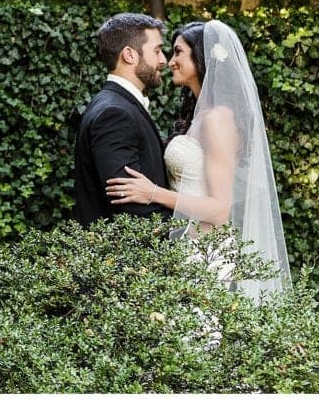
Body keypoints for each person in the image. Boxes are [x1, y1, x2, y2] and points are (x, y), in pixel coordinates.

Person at [106, 20, 291, 297]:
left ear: (202, 57)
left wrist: (154, 193)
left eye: (178, 52)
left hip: (206, 256)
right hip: (186, 249)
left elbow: (219, 210)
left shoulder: (217, 119)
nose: (170, 62)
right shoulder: (198, 115)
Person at [73, 12, 173, 226]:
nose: (163, 60)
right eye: (157, 51)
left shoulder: (116, 104)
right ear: (129, 54)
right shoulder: (115, 114)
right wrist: (188, 225)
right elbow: (129, 206)